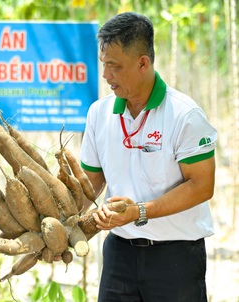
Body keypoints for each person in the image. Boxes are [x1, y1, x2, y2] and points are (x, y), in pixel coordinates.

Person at [80, 12, 217, 302]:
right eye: (104, 65)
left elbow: (202, 186)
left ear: (143, 63)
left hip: (176, 256)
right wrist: (63, 224)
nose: (106, 76)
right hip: (119, 252)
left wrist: (139, 211)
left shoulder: (185, 114)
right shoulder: (98, 113)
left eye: (115, 67)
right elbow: (90, 183)